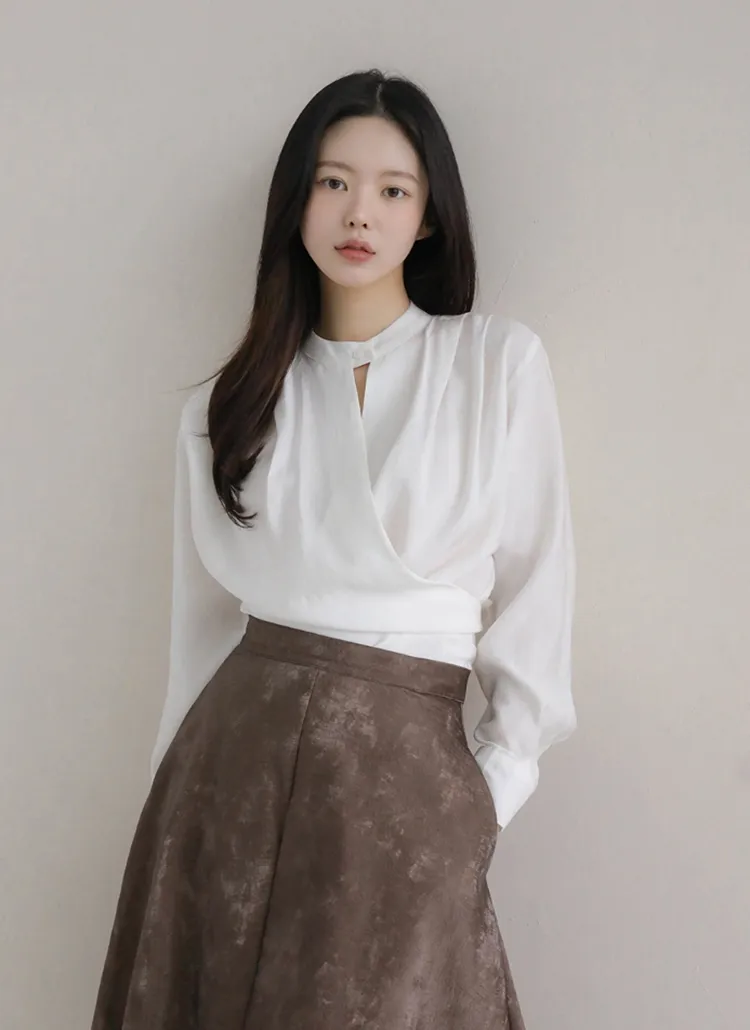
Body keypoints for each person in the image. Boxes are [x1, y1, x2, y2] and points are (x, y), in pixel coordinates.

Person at [90, 67, 576, 1030]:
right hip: (228, 772)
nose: (360, 211)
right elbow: (198, 632)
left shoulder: (493, 363)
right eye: (333, 181)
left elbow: (537, 589)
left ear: (428, 217)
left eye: (394, 189)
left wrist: (486, 793)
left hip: (409, 781)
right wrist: (170, 812)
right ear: (297, 201)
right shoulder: (228, 405)